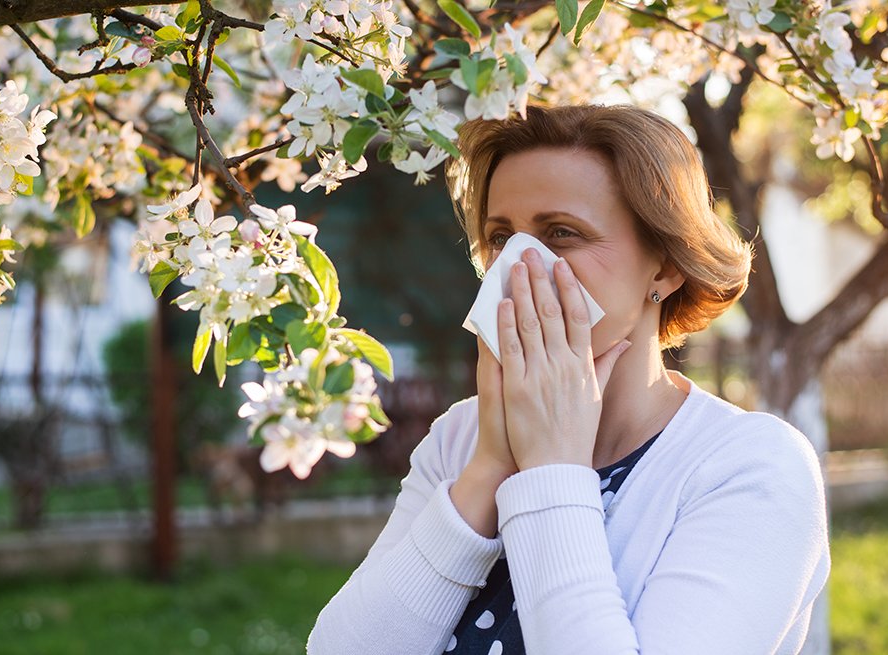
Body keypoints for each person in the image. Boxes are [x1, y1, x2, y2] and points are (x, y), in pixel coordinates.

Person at [307, 104, 830, 654]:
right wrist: (491, 466)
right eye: (501, 237)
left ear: (666, 265)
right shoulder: (461, 437)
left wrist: (552, 467)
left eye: (561, 233)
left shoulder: (748, 467)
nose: (520, 266)